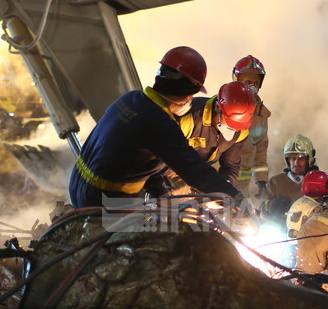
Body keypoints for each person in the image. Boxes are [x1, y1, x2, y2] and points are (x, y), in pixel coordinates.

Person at [69, 46, 240, 208]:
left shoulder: (130, 99)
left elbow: (133, 158)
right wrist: (237, 201)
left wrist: (159, 194)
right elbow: (195, 172)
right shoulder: (158, 123)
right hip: (103, 199)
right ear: (187, 92)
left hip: (78, 185)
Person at [166, 80, 256, 192]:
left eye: (236, 125)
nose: (232, 129)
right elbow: (161, 154)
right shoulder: (188, 117)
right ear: (218, 107)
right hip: (168, 171)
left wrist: (224, 189)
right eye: (229, 122)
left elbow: (230, 166)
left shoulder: (240, 130)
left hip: (199, 174)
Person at [231, 55, 272, 196]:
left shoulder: (260, 114)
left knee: (241, 217)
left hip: (241, 187)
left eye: (255, 82)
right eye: (247, 81)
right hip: (216, 180)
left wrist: (261, 180)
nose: (252, 86)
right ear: (237, 80)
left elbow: (261, 149)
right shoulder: (224, 105)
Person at [267, 134, 317, 203]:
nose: (296, 162)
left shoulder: (319, 182)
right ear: (288, 160)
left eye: (301, 158)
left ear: (308, 160)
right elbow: (263, 207)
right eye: (293, 158)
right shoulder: (275, 182)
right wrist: (271, 206)